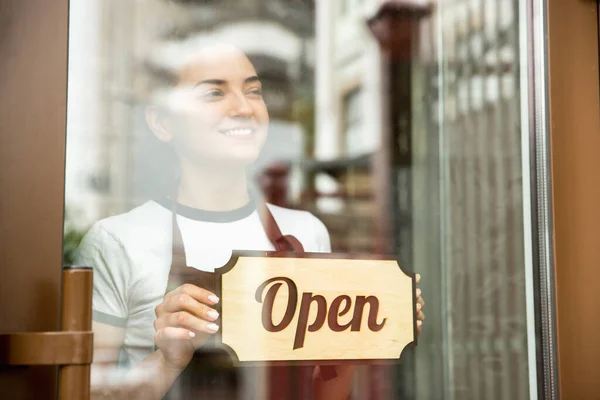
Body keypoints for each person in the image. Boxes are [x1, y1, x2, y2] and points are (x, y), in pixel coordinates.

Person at [75, 43, 424, 399]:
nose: (245, 108)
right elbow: (83, 392)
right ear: (163, 122)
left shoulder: (305, 232)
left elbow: (323, 388)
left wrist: (370, 331)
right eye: (214, 92)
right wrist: (168, 361)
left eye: (254, 91)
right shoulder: (117, 241)